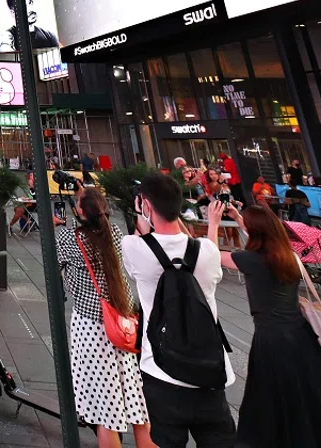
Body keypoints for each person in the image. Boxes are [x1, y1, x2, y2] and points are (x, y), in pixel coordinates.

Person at [122, 174, 236, 448]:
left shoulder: (133, 248)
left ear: (145, 206)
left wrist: (142, 214)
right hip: (210, 373)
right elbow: (204, 251)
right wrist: (213, 225)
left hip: (162, 372)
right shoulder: (207, 251)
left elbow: (142, 234)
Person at [206, 202, 321, 447]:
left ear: (256, 233)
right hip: (301, 336)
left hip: (271, 341)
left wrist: (213, 222)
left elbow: (213, 256)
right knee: (306, 394)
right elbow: (262, 233)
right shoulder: (289, 256)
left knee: (270, 398)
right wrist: (240, 218)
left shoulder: (251, 260)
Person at [56, 189, 154, 448]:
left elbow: (55, 262)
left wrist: (57, 225)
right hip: (121, 325)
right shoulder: (115, 233)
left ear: (80, 212)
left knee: (105, 409)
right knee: (134, 400)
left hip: (92, 329)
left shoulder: (71, 239)